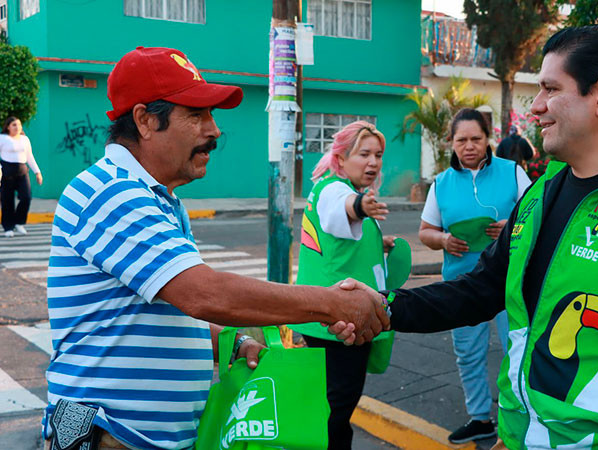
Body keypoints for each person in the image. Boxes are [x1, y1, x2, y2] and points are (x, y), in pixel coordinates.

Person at [332, 25, 598, 449]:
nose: (537, 107)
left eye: (549, 89)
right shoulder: (543, 191)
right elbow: (482, 289)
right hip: (516, 436)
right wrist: (386, 305)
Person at [43, 46, 389, 450]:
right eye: (196, 115)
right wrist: (332, 304)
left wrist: (232, 342)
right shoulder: (113, 192)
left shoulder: (158, 198)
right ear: (144, 120)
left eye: (211, 115)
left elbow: (164, 307)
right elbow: (203, 293)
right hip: (112, 437)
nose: (214, 130)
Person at [418, 108, 531, 443]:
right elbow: (426, 231)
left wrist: (512, 228)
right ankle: (480, 418)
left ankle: (520, 416)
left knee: (518, 350)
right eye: (461, 140)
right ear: (451, 143)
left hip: (508, 282)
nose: (469, 146)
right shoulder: (441, 183)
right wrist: (443, 240)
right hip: (461, 284)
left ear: (488, 140)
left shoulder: (513, 173)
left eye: (476, 139)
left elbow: (537, 218)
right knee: (468, 352)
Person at [290, 120, 395, 449]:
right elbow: (344, 210)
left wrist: (379, 244)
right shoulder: (338, 190)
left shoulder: (329, 187)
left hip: (327, 319)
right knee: (336, 414)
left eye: (377, 155)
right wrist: (360, 206)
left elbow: (338, 238)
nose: (373, 163)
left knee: (329, 408)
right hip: (341, 323)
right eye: (363, 154)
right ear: (341, 157)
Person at [0, 116, 43, 237]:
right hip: (6, 172)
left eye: (19, 125)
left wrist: (37, 172)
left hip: (22, 171)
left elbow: (29, 156)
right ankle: (8, 227)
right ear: (8, 127)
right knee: (7, 200)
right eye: (14, 125)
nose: (17, 127)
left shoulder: (25, 139)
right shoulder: (2, 138)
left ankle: (19, 222)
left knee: (26, 197)